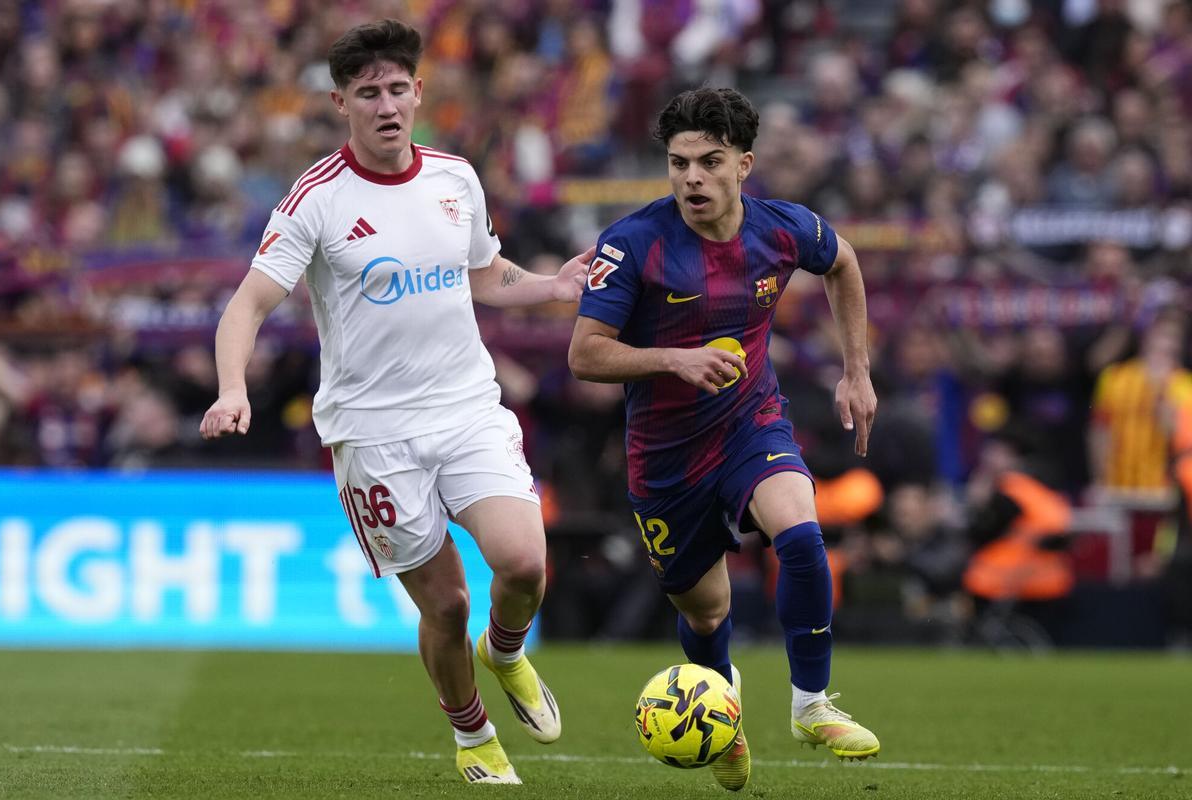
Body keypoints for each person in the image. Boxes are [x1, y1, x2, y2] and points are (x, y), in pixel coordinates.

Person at [199, 19, 590, 786]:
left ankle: (504, 653)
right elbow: (246, 306)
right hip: (373, 433)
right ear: (341, 102)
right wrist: (233, 388)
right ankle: (473, 734)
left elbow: (481, 269)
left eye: (398, 88)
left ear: (419, 92)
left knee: (523, 562)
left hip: (466, 407)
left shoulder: (455, 178)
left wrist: (550, 286)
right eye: (368, 92)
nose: (386, 105)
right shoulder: (315, 200)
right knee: (443, 604)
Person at [568, 87, 880, 791]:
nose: (692, 179)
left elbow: (845, 263)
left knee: (800, 535)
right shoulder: (634, 242)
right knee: (708, 612)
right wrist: (673, 359)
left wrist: (856, 372)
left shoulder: (782, 229)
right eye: (679, 163)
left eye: (709, 162)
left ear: (745, 164)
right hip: (666, 457)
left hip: (750, 423)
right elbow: (585, 355)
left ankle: (811, 705)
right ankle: (722, 708)